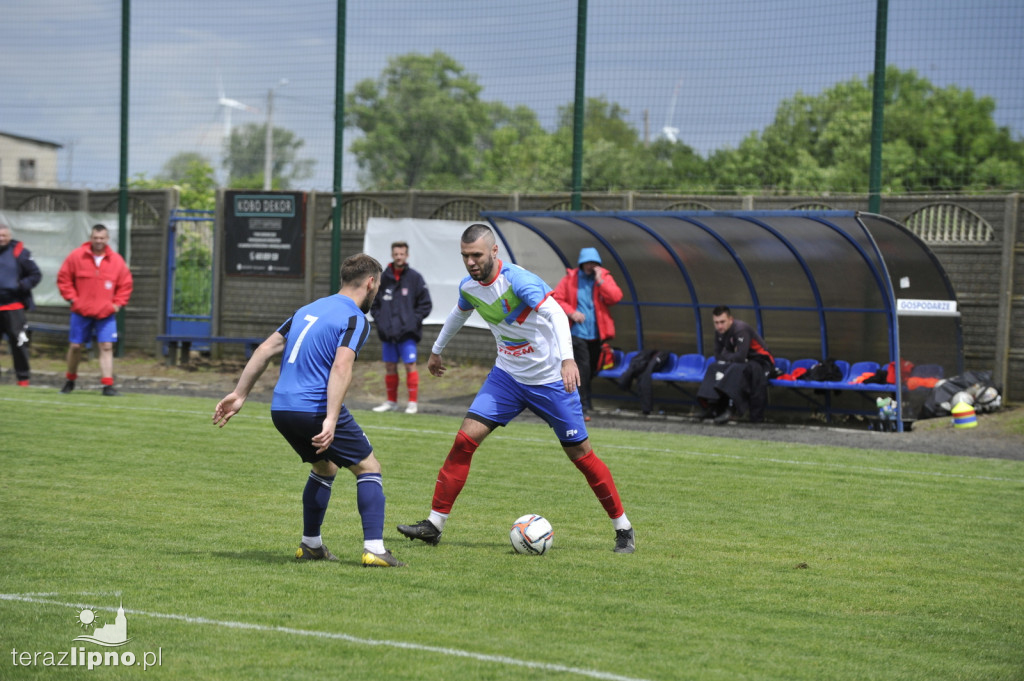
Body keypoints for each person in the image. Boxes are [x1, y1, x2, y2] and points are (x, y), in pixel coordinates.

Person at [396, 224, 635, 553]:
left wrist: (567, 360)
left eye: (476, 255)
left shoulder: (519, 281)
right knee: (464, 441)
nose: (470, 262)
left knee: (581, 456)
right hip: (507, 379)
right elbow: (458, 313)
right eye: (465, 256)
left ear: (494, 252)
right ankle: (434, 524)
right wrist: (436, 350)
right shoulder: (470, 287)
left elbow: (556, 314)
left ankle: (623, 528)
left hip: (550, 381)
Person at [213, 253, 405, 567]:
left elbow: (266, 348)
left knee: (325, 468)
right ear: (371, 282)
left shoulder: (308, 309)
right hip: (313, 408)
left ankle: (311, 544)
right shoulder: (355, 318)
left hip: (282, 409)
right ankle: (375, 549)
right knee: (369, 467)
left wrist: (239, 393)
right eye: (378, 285)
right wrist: (330, 418)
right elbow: (341, 368)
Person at [56, 224, 134, 396]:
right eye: (95, 238)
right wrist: (72, 299)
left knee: (106, 346)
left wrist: (117, 304)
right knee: (76, 346)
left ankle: (107, 385)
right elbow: (64, 278)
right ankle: (70, 380)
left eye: (102, 238)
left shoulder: (116, 261)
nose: (98, 241)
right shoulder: (76, 256)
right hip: (80, 311)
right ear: (91, 238)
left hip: (105, 313)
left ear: (107, 239)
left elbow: (125, 285)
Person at [552, 247, 623, 419]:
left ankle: (575, 400)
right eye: (588, 263)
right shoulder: (570, 279)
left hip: (597, 334)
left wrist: (601, 281)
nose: (591, 266)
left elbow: (615, 297)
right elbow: (557, 298)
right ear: (582, 264)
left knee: (592, 367)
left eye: (594, 263)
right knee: (582, 368)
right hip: (577, 332)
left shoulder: (604, 277)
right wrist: (572, 312)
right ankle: (582, 406)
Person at [369, 241, 433, 414]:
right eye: (396, 254)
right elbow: (373, 304)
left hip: (408, 334)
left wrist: (412, 321)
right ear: (392, 255)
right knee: (389, 367)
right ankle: (391, 402)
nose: (399, 257)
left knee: (409, 365)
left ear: (407, 255)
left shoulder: (415, 278)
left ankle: (412, 403)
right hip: (388, 333)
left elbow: (425, 305)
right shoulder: (383, 278)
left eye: (402, 254)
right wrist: (381, 321)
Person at [697, 305, 775, 424]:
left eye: (722, 322)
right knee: (714, 367)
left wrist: (727, 354)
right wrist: (729, 355)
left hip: (761, 362)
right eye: (716, 323)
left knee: (736, 369)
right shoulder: (719, 332)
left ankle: (731, 409)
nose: (719, 326)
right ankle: (712, 407)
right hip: (743, 363)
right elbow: (718, 355)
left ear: (730, 319)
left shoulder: (740, 329)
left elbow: (740, 356)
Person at [0, 222, 43, 386]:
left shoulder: (20, 253)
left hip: (14, 307)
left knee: (19, 344)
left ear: (9, 237)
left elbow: (35, 274)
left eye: (4, 235)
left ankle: (23, 379)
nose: (1, 238)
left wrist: (22, 285)